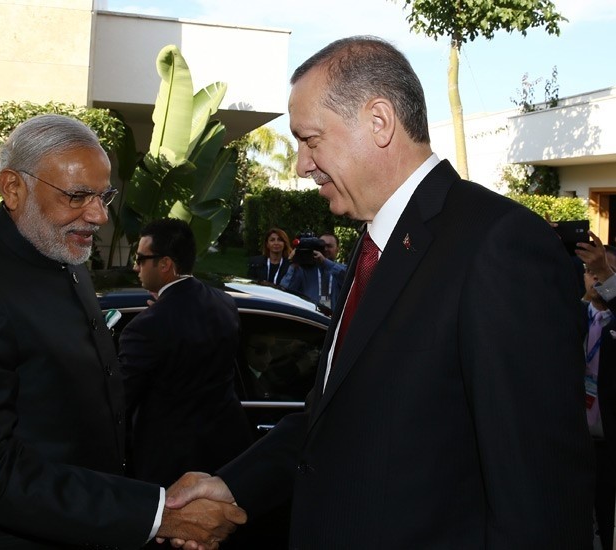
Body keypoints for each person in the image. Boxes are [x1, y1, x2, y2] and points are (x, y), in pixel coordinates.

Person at [165, 36, 594, 549]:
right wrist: (232, 484)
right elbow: (329, 418)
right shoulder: (375, 245)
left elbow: (538, 495)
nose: (301, 165)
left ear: (379, 121)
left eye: (311, 139)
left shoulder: (499, 245)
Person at [0, 114, 245, 549]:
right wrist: (155, 515)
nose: (99, 215)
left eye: (103, 195)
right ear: (13, 188)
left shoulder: (65, 260)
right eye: (78, 195)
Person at [118, 218, 253, 488]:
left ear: (165, 264)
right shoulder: (224, 303)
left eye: (141, 259)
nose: (135, 267)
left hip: (171, 469)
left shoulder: (146, 327)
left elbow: (119, 401)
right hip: (226, 457)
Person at [577, 232, 616, 550]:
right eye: (591, 272)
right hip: (571, 441)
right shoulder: (571, 316)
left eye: (604, 273)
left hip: (608, 447)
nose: (597, 280)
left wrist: (605, 270)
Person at [280, 232, 347, 310]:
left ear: (337, 250)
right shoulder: (304, 270)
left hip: (335, 319)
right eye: (322, 245)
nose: (325, 249)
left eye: (329, 246)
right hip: (310, 318)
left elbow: (348, 281)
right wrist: (293, 264)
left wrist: (325, 262)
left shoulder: (342, 269)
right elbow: (285, 290)